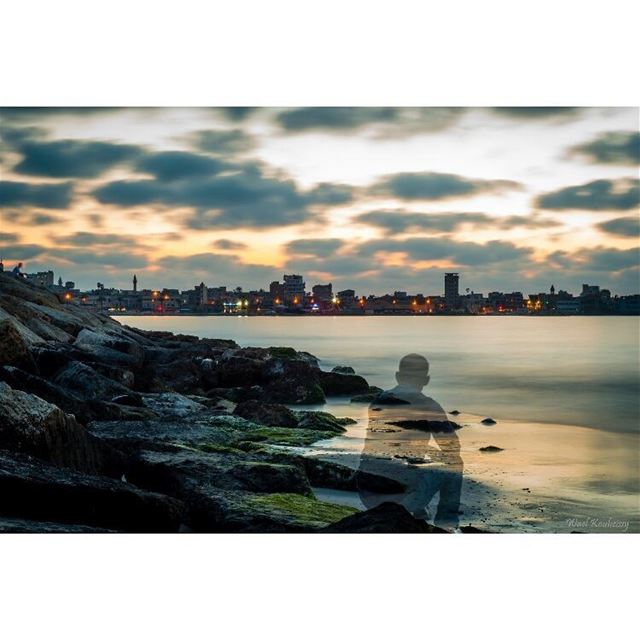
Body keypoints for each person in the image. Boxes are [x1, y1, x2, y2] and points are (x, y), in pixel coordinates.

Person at [357, 353, 463, 529]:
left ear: (398, 376)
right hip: (400, 499)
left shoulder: (378, 401)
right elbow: (452, 446)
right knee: (454, 463)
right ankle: (447, 523)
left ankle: (418, 509)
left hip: (367, 493)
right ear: (426, 380)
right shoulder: (428, 406)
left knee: (403, 454)